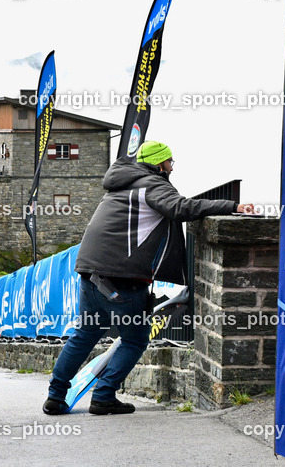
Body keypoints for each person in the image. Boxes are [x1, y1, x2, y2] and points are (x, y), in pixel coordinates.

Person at [43, 141, 254, 416]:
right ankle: (104, 395)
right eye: (170, 163)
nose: (170, 168)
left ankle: (55, 396)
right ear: (160, 164)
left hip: (90, 272)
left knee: (85, 334)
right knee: (135, 338)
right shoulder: (153, 184)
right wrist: (232, 206)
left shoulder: (120, 182)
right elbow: (182, 208)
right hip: (122, 278)